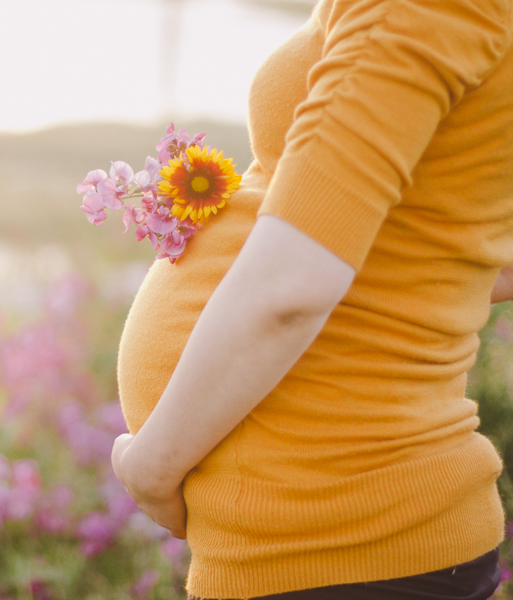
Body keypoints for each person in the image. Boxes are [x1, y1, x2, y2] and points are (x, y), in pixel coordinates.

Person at [111, 0, 513, 598]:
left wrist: (152, 467)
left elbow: (289, 291)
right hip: (345, 536)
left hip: (338, 540)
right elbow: (449, 217)